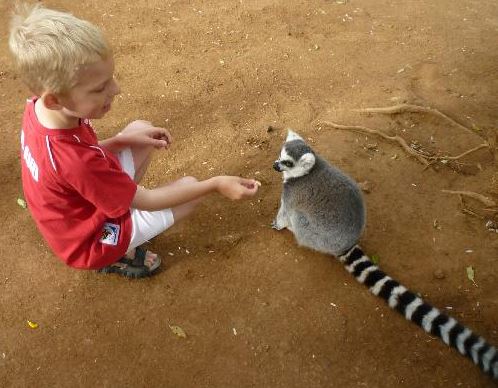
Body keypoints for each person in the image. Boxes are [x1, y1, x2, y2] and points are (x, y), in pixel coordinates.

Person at [8, 4, 260, 278]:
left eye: (110, 80)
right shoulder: (75, 161)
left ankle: (120, 209)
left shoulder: (39, 110)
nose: (116, 89)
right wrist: (215, 184)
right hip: (89, 241)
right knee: (190, 190)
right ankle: (116, 255)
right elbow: (147, 200)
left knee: (140, 132)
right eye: (100, 88)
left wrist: (120, 140)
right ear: (55, 99)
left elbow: (75, 162)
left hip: (77, 208)